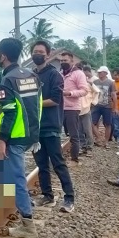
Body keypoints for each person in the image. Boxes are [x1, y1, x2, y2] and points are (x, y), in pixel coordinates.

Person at [0, 38, 41, 238]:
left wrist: (3, 139)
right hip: (31, 132)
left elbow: (10, 111)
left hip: (15, 135)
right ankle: (22, 206)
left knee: (17, 178)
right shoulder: (32, 76)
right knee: (11, 173)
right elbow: (37, 104)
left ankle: (28, 225)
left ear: (3, 55)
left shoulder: (7, 80)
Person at [30, 41, 75, 212]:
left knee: (58, 163)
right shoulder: (30, 75)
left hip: (50, 126)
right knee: (41, 164)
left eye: (41, 51)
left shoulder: (55, 75)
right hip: (35, 127)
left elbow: (55, 100)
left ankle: (69, 198)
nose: (38, 54)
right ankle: (47, 195)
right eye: (35, 51)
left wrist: (34, 104)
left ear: (48, 55)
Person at [59, 50, 88, 165]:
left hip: (72, 108)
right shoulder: (60, 73)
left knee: (73, 134)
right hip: (60, 108)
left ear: (72, 61)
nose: (62, 62)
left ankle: (74, 159)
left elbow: (85, 90)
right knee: (58, 133)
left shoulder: (78, 74)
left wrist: (70, 93)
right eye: (61, 60)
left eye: (65, 60)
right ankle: (59, 158)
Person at [91, 66, 118, 147]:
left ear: (105, 73)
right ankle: (98, 138)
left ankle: (106, 142)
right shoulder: (95, 82)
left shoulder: (111, 82)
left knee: (108, 124)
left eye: (100, 72)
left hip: (107, 106)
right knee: (92, 122)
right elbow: (93, 93)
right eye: (98, 72)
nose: (99, 74)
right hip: (96, 105)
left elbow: (113, 94)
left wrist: (115, 107)